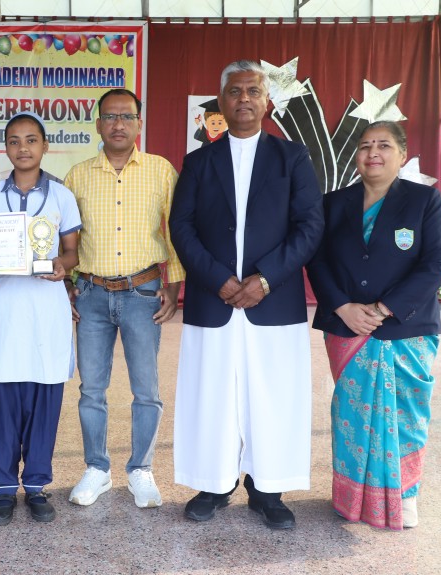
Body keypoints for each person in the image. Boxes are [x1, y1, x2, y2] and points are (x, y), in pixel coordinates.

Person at [169, 60, 323, 530]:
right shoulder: (199, 161)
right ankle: (213, 485)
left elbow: (309, 226)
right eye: (235, 91)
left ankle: (267, 489)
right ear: (220, 102)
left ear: (267, 102)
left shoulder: (292, 158)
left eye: (253, 90)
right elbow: (182, 227)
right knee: (211, 394)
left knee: (272, 396)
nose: (244, 99)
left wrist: (266, 279)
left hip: (273, 301)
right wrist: (217, 278)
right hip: (212, 299)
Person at [307, 121, 441, 530]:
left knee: (407, 412)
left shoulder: (424, 200)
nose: (373, 152)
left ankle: (405, 495)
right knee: (352, 412)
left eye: (384, 145)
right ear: (356, 155)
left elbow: (436, 262)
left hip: (407, 326)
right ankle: (352, 497)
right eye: (365, 145)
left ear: (402, 155)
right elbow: (316, 260)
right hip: (347, 326)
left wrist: (384, 308)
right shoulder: (333, 203)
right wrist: (343, 307)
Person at [63, 88, 183, 509]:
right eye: (110, 117)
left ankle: (141, 469)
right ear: (98, 124)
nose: (118, 124)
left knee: (146, 389)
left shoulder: (160, 170)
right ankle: (97, 468)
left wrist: (174, 286)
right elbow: (66, 239)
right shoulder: (77, 175)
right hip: (91, 294)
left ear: (139, 124)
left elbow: (175, 231)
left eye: (127, 117)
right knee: (91, 389)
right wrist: (66, 286)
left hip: (143, 293)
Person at [0, 112, 81, 526]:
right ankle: (3, 489)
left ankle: (36, 485)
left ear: (44, 146)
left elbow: (71, 252)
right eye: (14, 141)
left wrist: (61, 265)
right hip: (2, 310)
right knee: (0, 401)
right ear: (5, 147)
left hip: (45, 311)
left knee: (43, 400)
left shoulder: (61, 196)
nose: (23, 148)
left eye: (31, 140)